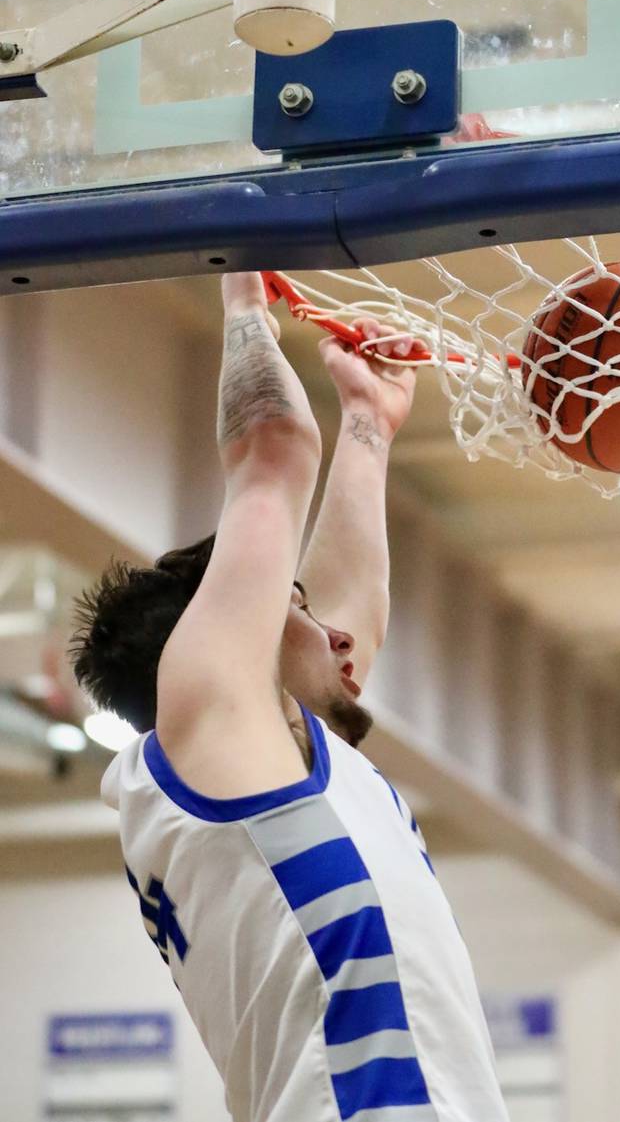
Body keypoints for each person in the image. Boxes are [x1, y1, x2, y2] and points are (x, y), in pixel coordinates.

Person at [69, 272, 510, 1122]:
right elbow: (271, 454)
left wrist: (370, 426)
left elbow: (347, 622)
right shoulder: (206, 718)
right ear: (226, 642)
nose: (339, 635)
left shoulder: (259, 772)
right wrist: (241, 293)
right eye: (296, 608)